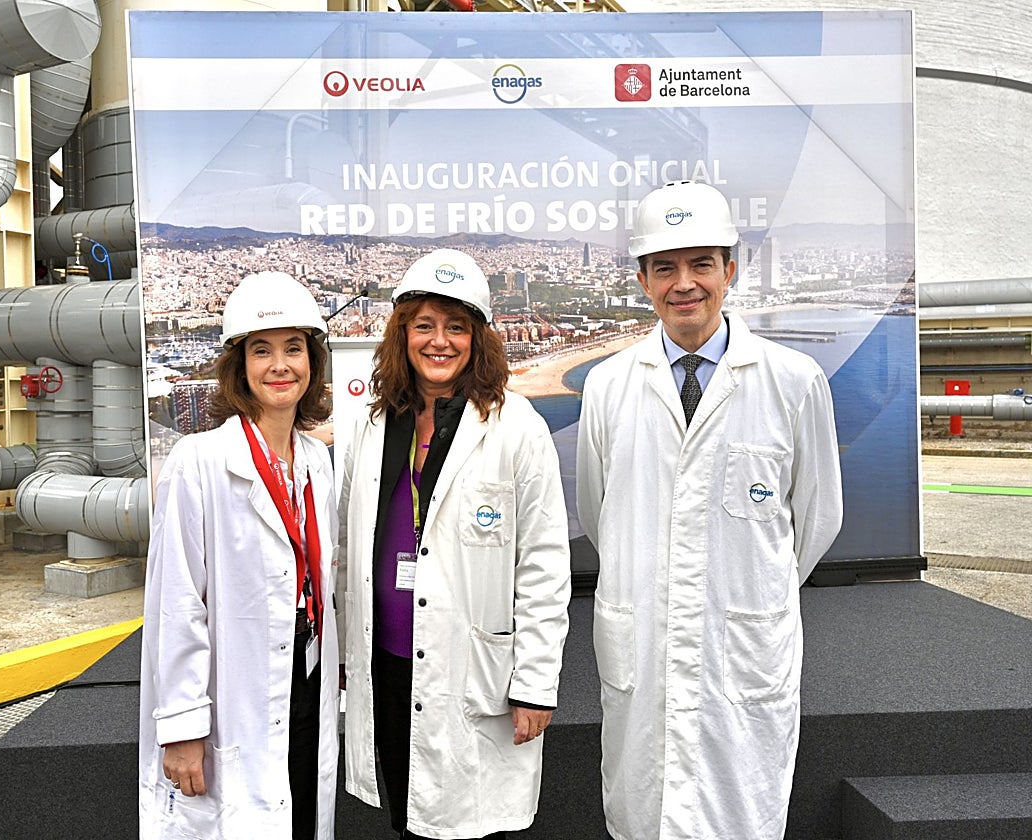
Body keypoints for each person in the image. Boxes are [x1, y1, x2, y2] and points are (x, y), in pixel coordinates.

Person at [576, 181, 844, 840]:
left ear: (729, 269)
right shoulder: (610, 386)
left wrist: (747, 583)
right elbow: (598, 511)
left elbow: (814, 522)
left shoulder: (792, 382)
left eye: (701, 264)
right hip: (643, 655)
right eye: (664, 267)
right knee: (644, 812)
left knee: (740, 813)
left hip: (741, 657)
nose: (684, 283)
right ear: (642, 280)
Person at [338, 248, 572, 839]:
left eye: (456, 327)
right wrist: (346, 658)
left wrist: (536, 684)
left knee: (470, 822)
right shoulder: (372, 424)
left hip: (474, 672)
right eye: (424, 326)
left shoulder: (516, 426)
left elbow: (544, 565)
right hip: (386, 664)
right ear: (402, 335)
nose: (439, 341)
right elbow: (348, 547)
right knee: (407, 818)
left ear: (478, 339)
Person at [138, 272, 339, 840]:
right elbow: (178, 604)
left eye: (293, 349)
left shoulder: (315, 462)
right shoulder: (198, 461)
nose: (280, 366)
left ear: (312, 363)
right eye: (262, 350)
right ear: (239, 367)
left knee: (299, 816)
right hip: (231, 698)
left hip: (305, 684)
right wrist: (180, 727)